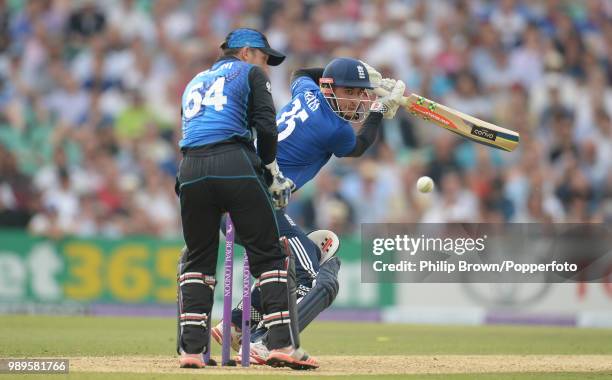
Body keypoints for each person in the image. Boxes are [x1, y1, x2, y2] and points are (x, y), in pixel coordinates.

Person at [211, 57, 405, 363]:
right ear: (329, 89)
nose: (358, 100)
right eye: (351, 92)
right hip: (255, 202)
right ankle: (268, 343)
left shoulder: (306, 91)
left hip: (234, 201)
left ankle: (237, 323)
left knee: (293, 263)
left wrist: (365, 78)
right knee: (313, 277)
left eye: (361, 93)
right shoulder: (335, 128)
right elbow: (359, 146)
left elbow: (300, 72)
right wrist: (380, 112)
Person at [175, 27, 317, 370]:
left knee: (198, 259)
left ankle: (192, 352)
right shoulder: (250, 73)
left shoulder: (195, 80)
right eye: (264, 58)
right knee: (271, 254)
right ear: (245, 53)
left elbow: (193, 129)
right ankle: (281, 345)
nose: (266, 66)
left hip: (190, 170)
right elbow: (267, 127)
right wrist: (271, 172)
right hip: (233, 164)